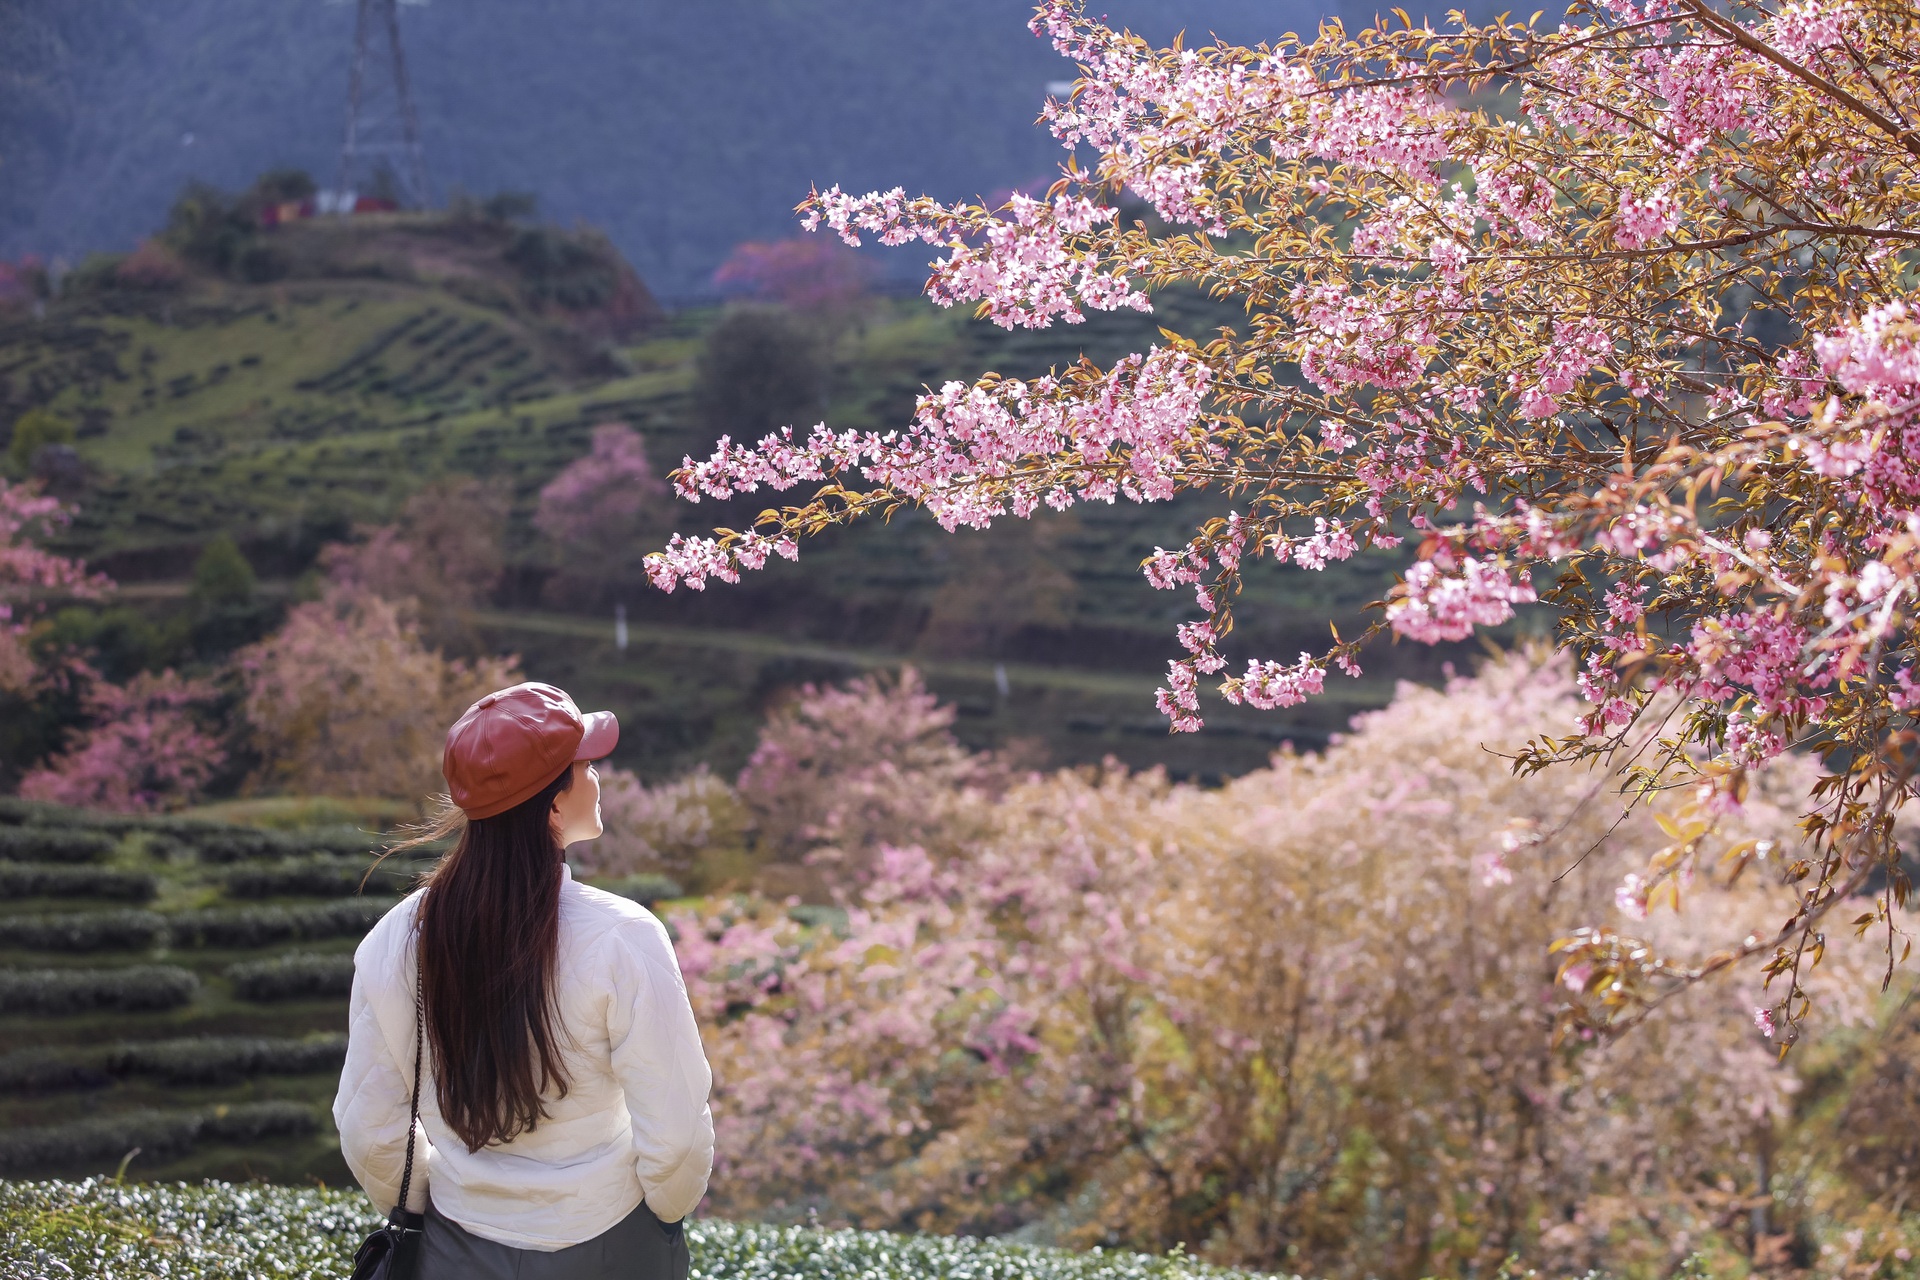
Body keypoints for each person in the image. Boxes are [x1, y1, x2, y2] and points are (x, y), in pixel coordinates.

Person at [335, 681, 713, 1279]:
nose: (598, 779)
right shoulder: (622, 936)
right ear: (553, 803)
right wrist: (662, 1220)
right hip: (608, 1244)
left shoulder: (397, 939)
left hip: (455, 1249)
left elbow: (369, 1127)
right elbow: (677, 1132)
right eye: (586, 767)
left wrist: (437, 1208)